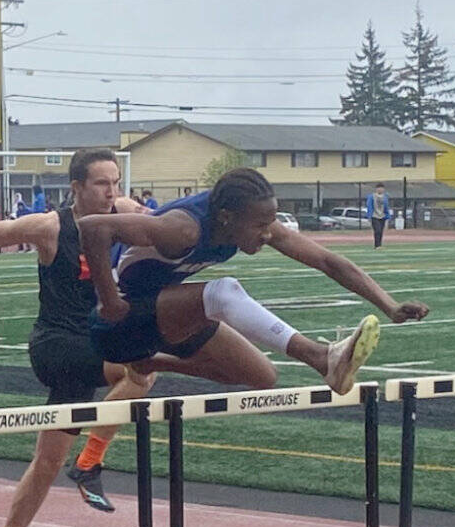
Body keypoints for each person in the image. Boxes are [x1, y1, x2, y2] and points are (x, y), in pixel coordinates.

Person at [0, 148, 159, 527]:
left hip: (92, 347)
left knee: (45, 465)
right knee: (141, 370)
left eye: (115, 182)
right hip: (56, 346)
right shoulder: (52, 227)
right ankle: (90, 463)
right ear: (76, 188)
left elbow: (165, 226)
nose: (111, 191)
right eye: (100, 184)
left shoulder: (126, 213)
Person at [78, 168, 429, 400]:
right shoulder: (182, 228)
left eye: (272, 223)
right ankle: (322, 359)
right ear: (227, 218)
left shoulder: (242, 220)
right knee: (223, 293)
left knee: (261, 375)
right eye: (261, 225)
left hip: (159, 317)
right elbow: (94, 228)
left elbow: (327, 261)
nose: (268, 234)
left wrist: (389, 305)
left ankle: (149, 362)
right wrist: (109, 301)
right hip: (115, 325)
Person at [366, 183, 392, 248]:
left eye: (382, 188)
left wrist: (388, 216)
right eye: (379, 188)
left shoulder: (385, 197)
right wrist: (369, 216)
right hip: (374, 216)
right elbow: (369, 206)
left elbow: (386, 207)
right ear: (376, 189)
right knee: (377, 230)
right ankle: (376, 245)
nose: (380, 189)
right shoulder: (371, 196)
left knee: (381, 231)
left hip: (382, 216)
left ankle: (379, 245)